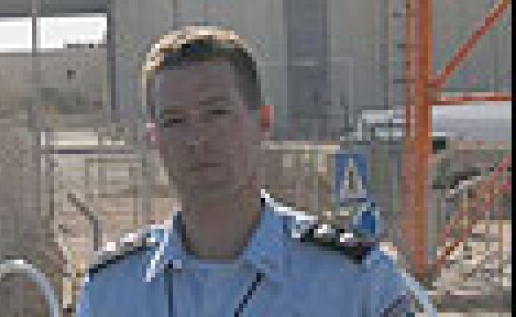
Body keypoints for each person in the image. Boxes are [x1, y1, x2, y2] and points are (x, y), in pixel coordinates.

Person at [75, 27, 422, 316]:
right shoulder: (112, 292)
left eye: (216, 114)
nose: (197, 139)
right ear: (154, 139)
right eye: (175, 121)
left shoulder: (353, 282)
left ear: (263, 122)